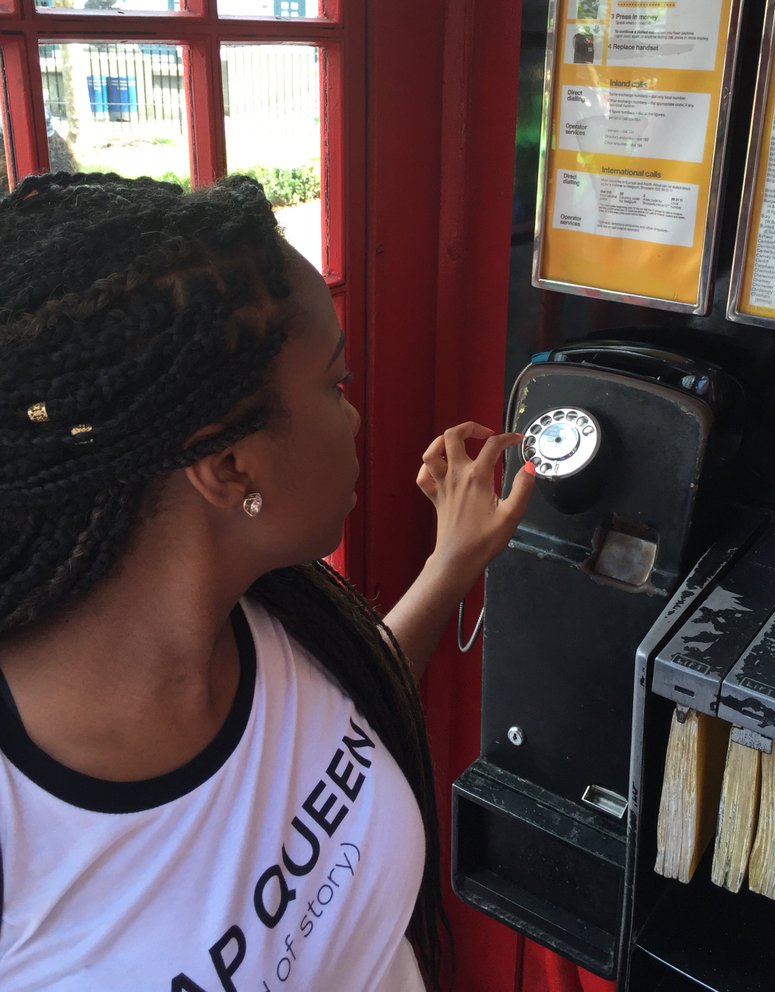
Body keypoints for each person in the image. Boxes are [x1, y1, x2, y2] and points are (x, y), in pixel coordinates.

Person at [0, 171, 535, 991]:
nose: (353, 413)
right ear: (229, 464)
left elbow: (346, 712)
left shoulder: (266, 606)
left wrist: (453, 563)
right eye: (336, 382)